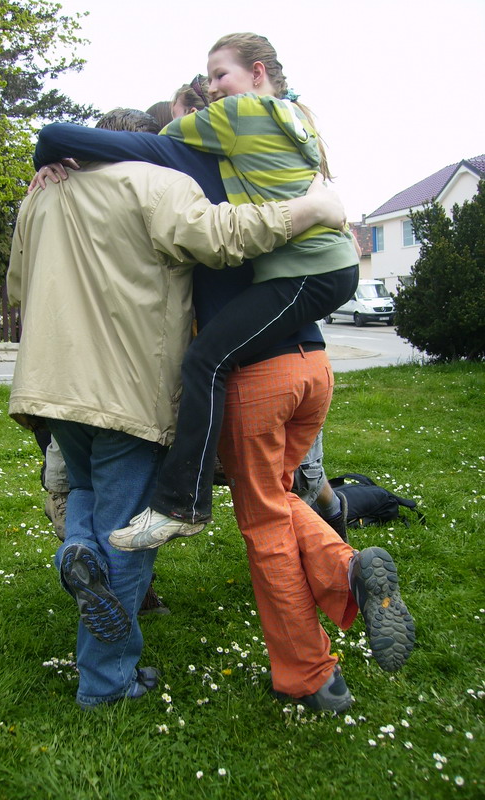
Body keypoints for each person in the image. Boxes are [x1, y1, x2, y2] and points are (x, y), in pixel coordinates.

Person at [30, 69, 413, 710]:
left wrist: (59, 162)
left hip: (254, 378)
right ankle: (345, 570)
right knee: (278, 499)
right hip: (311, 364)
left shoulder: (182, 171)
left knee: (262, 525)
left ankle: (312, 673)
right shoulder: (258, 169)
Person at [108, 33, 360, 551]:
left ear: (258, 72)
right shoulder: (289, 119)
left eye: (220, 74)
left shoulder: (240, 114)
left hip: (307, 281)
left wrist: (58, 146)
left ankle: (182, 504)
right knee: (289, 484)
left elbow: (162, 139)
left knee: (206, 361)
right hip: (316, 293)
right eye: (208, 82)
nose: (214, 88)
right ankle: (342, 546)